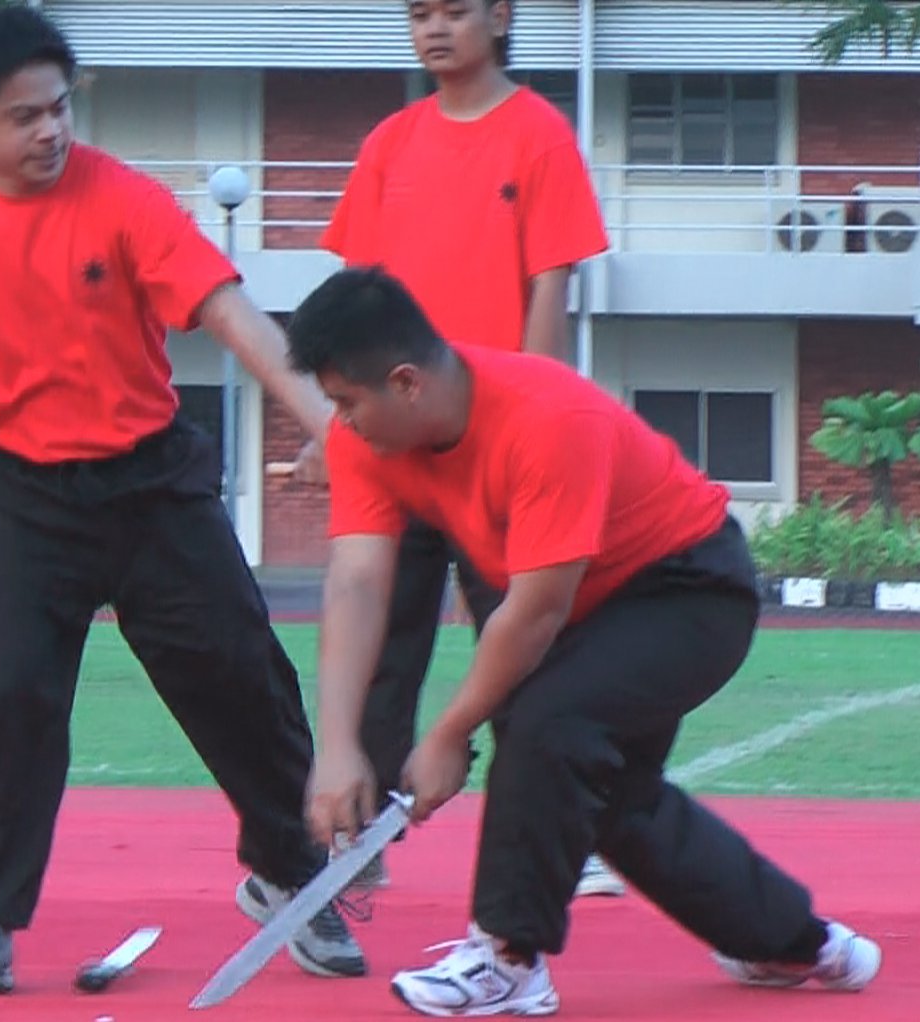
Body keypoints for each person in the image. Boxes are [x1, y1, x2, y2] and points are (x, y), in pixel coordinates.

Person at [0, 4, 364, 995]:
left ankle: (291, 873)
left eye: (58, 110)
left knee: (239, 673)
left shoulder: (125, 200)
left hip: (150, 476)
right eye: (23, 117)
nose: (48, 132)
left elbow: (229, 315)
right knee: (5, 696)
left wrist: (323, 417)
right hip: (24, 495)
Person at [289, 267, 882, 1017]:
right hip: (582, 602)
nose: (337, 424)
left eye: (345, 402)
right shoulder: (365, 442)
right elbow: (357, 585)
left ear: (405, 383)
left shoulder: (547, 417)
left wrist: (446, 732)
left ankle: (507, 960)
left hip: (686, 589)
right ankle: (800, 942)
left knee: (548, 726)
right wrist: (337, 745)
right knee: (606, 796)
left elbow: (535, 613)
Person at [320, 0, 620, 896]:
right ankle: (356, 843)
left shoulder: (538, 135)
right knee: (382, 645)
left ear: (500, 15)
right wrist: (345, 409)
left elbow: (548, 286)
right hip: (398, 443)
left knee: (534, 638)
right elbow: (356, 294)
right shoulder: (390, 144)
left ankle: (580, 829)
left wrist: (540, 416)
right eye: (419, 13)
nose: (435, 28)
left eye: (454, 10)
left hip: (495, 441)